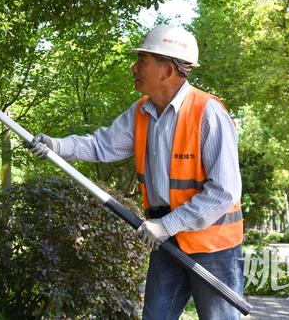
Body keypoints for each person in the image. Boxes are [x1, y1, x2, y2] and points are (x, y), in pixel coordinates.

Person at [25, 25, 244, 320]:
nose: (134, 67)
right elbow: (102, 145)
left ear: (167, 70)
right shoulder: (141, 111)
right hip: (166, 242)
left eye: (142, 60)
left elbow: (225, 190)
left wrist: (168, 224)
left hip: (212, 246)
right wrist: (57, 146)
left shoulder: (208, 112)